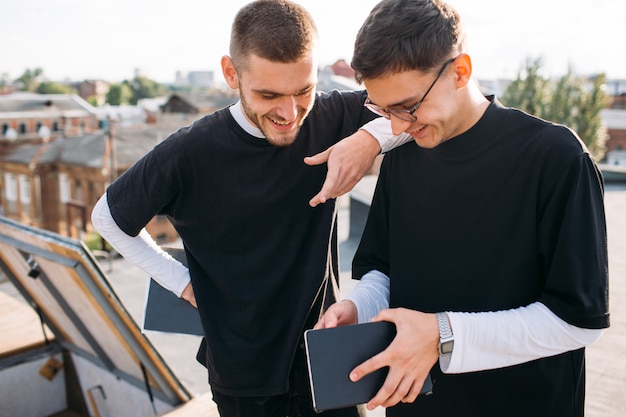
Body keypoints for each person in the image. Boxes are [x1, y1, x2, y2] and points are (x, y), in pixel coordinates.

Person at [91, 1, 410, 416]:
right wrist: (182, 282)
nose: (289, 113)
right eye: (268, 95)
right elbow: (107, 218)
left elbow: (413, 109)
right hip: (243, 376)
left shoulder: (331, 115)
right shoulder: (191, 152)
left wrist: (367, 139)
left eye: (303, 91)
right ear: (231, 74)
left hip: (324, 356)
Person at [315, 1, 610, 416]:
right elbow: (382, 268)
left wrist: (441, 334)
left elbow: (578, 321)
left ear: (461, 71)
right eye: (382, 111)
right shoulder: (403, 156)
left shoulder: (555, 157)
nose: (397, 127)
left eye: (408, 106)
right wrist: (359, 307)